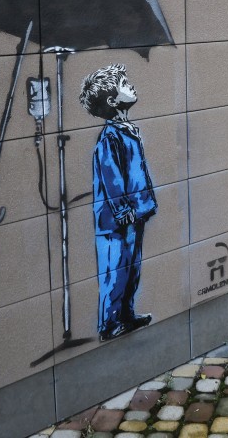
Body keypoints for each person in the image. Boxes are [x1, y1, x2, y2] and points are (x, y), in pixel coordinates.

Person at [79, 64, 157, 341]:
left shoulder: (128, 131)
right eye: (125, 83)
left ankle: (126, 315)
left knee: (131, 269)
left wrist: (141, 205)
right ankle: (109, 324)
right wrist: (123, 210)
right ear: (112, 102)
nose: (131, 85)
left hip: (135, 213)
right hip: (117, 219)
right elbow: (111, 177)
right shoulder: (109, 137)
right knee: (115, 271)